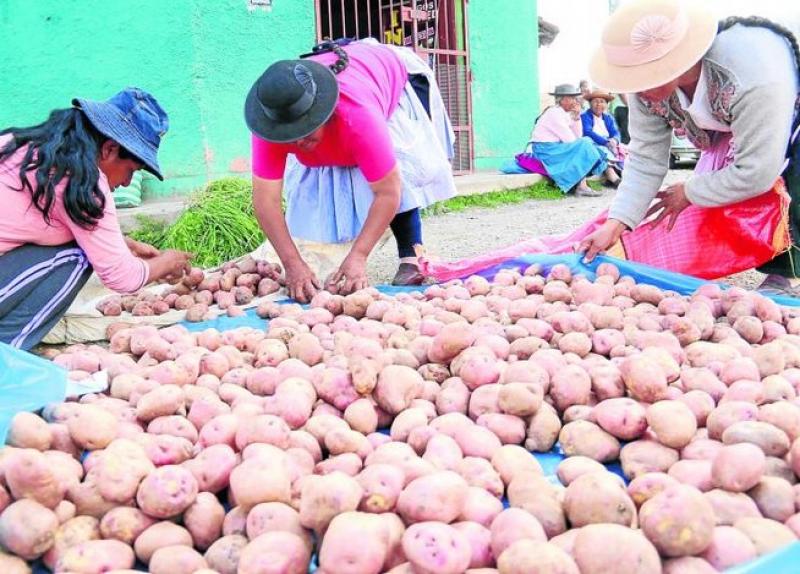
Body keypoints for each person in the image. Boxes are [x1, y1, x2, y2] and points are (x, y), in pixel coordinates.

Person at [578, 0, 800, 294]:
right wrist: (616, 224)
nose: (637, 88)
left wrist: (690, 192)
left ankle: (782, 271)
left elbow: (756, 171)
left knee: (788, 182)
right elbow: (645, 159)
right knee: (719, 194)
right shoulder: (643, 90)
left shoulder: (755, 75)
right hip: (728, 125)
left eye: (647, 74)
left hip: (784, 111)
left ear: (679, 62)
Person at [246, 39, 457, 302]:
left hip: (385, 75)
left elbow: (388, 192)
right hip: (347, 94)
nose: (299, 142)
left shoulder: (358, 116)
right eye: (290, 135)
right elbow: (266, 200)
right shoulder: (270, 125)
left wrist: (359, 256)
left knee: (394, 167)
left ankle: (410, 254)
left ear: (323, 113)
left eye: (305, 129)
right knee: (317, 182)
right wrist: (292, 264)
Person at [0, 88, 193, 350]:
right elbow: (122, 278)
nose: (126, 182)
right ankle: (8, 355)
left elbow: (39, 221)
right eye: (130, 171)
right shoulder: (84, 182)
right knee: (79, 257)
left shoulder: (27, 145)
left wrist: (126, 244)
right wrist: (167, 262)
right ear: (110, 149)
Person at [530, 84, 613, 197]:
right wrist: (581, 141)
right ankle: (582, 186)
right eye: (572, 98)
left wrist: (577, 117)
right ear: (563, 100)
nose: (575, 101)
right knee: (584, 143)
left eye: (575, 98)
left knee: (585, 143)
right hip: (545, 150)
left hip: (555, 148)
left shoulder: (564, 113)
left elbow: (577, 137)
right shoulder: (554, 113)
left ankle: (581, 186)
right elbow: (570, 140)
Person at [580, 90, 624, 185]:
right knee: (603, 153)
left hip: (609, 143)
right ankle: (614, 178)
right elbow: (588, 132)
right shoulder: (585, 116)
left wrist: (614, 140)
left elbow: (615, 132)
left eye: (602, 101)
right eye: (595, 101)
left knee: (624, 150)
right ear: (590, 104)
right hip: (594, 143)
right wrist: (605, 142)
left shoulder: (608, 117)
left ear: (606, 104)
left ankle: (624, 175)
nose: (599, 104)